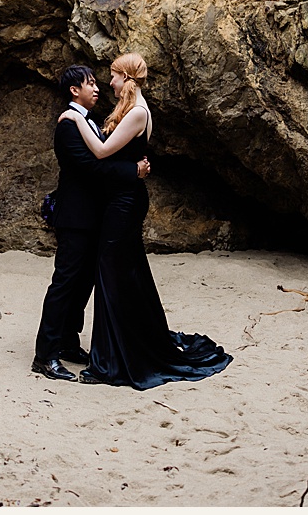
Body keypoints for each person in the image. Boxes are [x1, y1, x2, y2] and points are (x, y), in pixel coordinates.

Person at [73, 52, 232, 388]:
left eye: (114, 76)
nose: (110, 83)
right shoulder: (131, 110)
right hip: (123, 199)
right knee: (123, 273)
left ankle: (115, 358)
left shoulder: (138, 113)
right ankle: (117, 349)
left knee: (112, 271)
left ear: (127, 77)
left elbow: (101, 152)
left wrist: (75, 120)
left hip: (126, 203)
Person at [32, 63, 146, 381]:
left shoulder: (88, 120)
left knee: (84, 282)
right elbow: (89, 168)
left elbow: (104, 155)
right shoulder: (68, 125)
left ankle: (68, 342)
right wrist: (132, 172)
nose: (97, 88)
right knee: (65, 283)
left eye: (98, 82)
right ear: (74, 90)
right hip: (75, 217)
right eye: (90, 83)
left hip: (93, 216)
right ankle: (45, 355)